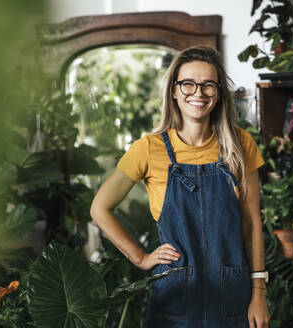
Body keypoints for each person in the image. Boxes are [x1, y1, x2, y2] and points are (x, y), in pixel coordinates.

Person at [90, 45, 269, 328]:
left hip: (233, 296)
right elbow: (100, 208)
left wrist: (259, 291)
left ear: (218, 93)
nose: (198, 93)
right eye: (188, 84)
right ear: (174, 90)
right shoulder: (149, 149)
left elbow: (251, 224)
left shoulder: (240, 144)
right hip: (174, 298)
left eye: (208, 85)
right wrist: (140, 257)